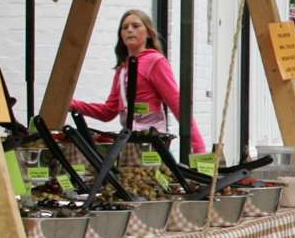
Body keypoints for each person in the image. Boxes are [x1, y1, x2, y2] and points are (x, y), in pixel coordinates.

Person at [73, 8, 206, 153]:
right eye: (125, 28)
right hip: (129, 143)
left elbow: (177, 103)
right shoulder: (122, 69)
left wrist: (199, 148)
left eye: (136, 26)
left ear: (148, 33)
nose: (130, 30)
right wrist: (71, 104)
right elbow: (108, 112)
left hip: (152, 142)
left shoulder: (155, 61)